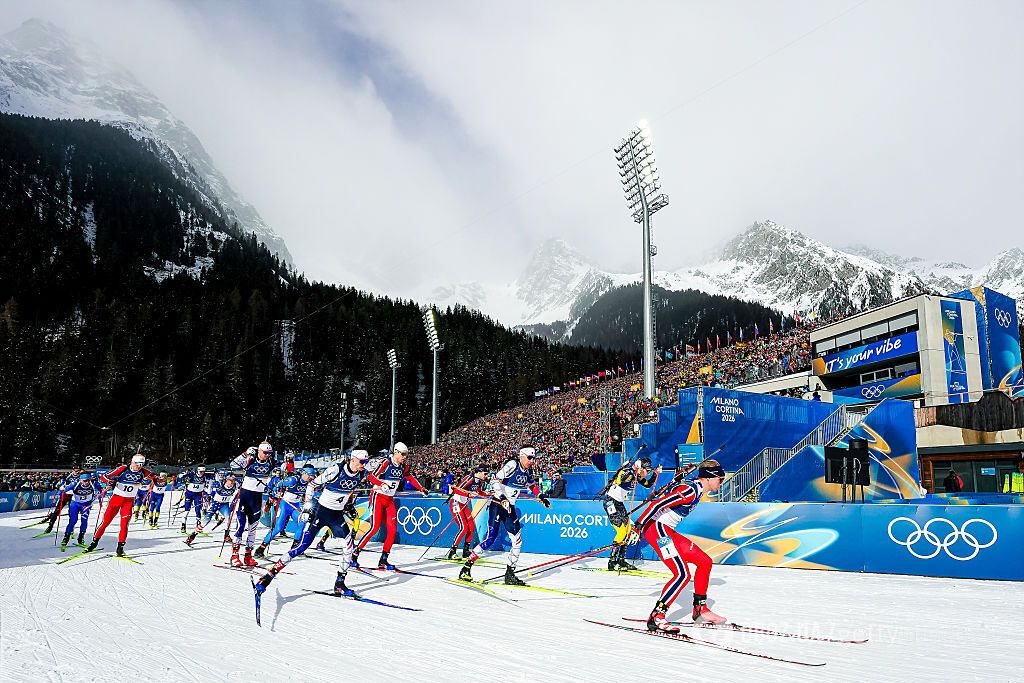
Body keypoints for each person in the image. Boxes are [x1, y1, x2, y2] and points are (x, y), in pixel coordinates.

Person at [255, 450, 369, 597]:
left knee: (348, 548)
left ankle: (339, 583)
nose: (363, 465)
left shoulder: (361, 474)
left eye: (365, 462)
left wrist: (349, 506)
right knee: (301, 547)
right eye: (361, 462)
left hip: (336, 516)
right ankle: (268, 577)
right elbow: (311, 485)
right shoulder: (336, 470)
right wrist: (308, 507)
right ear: (353, 459)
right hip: (320, 513)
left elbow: (349, 492)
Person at [635, 459, 726, 633]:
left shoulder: (696, 489)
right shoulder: (690, 490)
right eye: (720, 479)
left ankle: (700, 610)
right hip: (658, 531)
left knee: (704, 562)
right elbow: (657, 504)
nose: (721, 483)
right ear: (709, 478)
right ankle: (657, 616)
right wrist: (638, 525)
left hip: (668, 531)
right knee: (682, 574)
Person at [459, 445, 552, 586]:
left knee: (518, 541)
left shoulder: (529, 470)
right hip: (498, 504)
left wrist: (541, 496)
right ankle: (466, 568)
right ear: (522, 456)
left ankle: (510, 574)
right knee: (490, 539)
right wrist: (502, 497)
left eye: (534, 458)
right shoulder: (513, 464)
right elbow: (495, 480)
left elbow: (532, 485)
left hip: (510, 507)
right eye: (530, 458)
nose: (532, 461)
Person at [352, 441, 428, 570]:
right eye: (403, 454)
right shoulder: (386, 462)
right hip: (378, 497)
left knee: (392, 530)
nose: (405, 457)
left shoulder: (403, 466)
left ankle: (383, 559)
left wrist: (421, 488)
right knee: (374, 528)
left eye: (406, 454)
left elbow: (410, 478)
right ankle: (355, 554)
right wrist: (381, 484)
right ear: (396, 452)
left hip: (389, 500)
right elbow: (371, 477)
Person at [85, 454, 154, 557]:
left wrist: (158, 480)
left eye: (141, 464)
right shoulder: (123, 468)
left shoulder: (144, 472)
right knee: (105, 523)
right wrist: (110, 482)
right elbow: (103, 477)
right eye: (137, 464)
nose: (139, 466)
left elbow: (156, 478)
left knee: (124, 525)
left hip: (129, 502)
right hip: (116, 500)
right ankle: (93, 544)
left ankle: (120, 549)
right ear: (132, 462)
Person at [604, 456, 661, 571]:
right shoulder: (629, 473)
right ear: (640, 468)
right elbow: (620, 479)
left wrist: (655, 474)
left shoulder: (638, 476)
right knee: (621, 531)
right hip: (610, 502)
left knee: (628, 530)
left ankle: (621, 560)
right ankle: (612, 562)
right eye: (647, 471)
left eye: (650, 471)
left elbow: (648, 484)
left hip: (619, 504)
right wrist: (629, 470)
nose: (648, 473)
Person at [229, 442, 280, 567]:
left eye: (269, 453)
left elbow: (283, 471)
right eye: (265, 453)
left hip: (257, 498)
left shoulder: (271, 462)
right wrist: (245, 453)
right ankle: (235, 555)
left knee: (253, 528)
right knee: (241, 526)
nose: (267, 455)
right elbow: (233, 465)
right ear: (259, 451)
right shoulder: (250, 459)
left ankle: (248, 555)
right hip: (246, 496)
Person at [254, 464, 315, 558]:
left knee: (302, 523)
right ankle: (261, 548)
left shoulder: (309, 483)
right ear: (304, 472)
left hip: (295, 506)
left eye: (312, 475)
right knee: (278, 527)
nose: (311, 477)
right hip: (285, 504)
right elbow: (277, 485)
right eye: (310, 474)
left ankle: (295, 547)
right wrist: (274, 494)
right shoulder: (293, 480)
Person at [447, 466, 488, 559]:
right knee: (464, 528)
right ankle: (452, 551)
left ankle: (466, 551)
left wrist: (488, 493)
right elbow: (456, 489)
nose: (486, 476)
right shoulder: (469, 478)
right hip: (456, 503)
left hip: (464, 504)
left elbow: (478, 492)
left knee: (471, 527)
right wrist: (468, 494)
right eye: (485, 474)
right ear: (479, 472)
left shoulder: (480, 481)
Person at [186, 472, 238, 545]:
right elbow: (212, 492)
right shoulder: (219, 484)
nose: (232, 482)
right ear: (226, 480)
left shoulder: (236, 485)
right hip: (215, 504)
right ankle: (193, 535)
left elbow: (239, 492)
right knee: (206, 520)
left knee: (228, 518)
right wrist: (209, 496)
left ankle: (227, 536)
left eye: (233, 480)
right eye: (230, 480)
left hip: (224, 505)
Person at [60, 473, 99, 550]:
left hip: (86, 505)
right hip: (75, 504)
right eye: (85, 481)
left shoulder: (93, 484)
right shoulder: (75, 484)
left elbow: (101, 490)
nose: (87, 482)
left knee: (84, 521)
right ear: (80, 480)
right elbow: (64, 489)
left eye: (88, 480)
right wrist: (61, 490)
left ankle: (81, 538)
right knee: (73, 521)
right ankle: (66, 538)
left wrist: (100, 497)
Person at [44, 468, 83, 534]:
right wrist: (60, 486)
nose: (77, 472)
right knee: (57, 511)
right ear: (72, 471)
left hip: (74, 496)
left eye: (78, 471)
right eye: (75, 471)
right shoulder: (66, 477)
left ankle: (71, 529)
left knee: (71, 513)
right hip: (65, 495)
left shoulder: (81, 478)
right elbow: (58, 484)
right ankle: (50, 526)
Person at [178, 466, 207, 533]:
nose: (202, 473)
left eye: (203, 472)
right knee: (187, 510)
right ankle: (183, 526)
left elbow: (214, 479)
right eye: (200, 471)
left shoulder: (205, 476)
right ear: (198, 470)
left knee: (198, 510)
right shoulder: (192, 474)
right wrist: (184, 474)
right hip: (189, 494)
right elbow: (179, 477)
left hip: (198, 495)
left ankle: (198, 527)